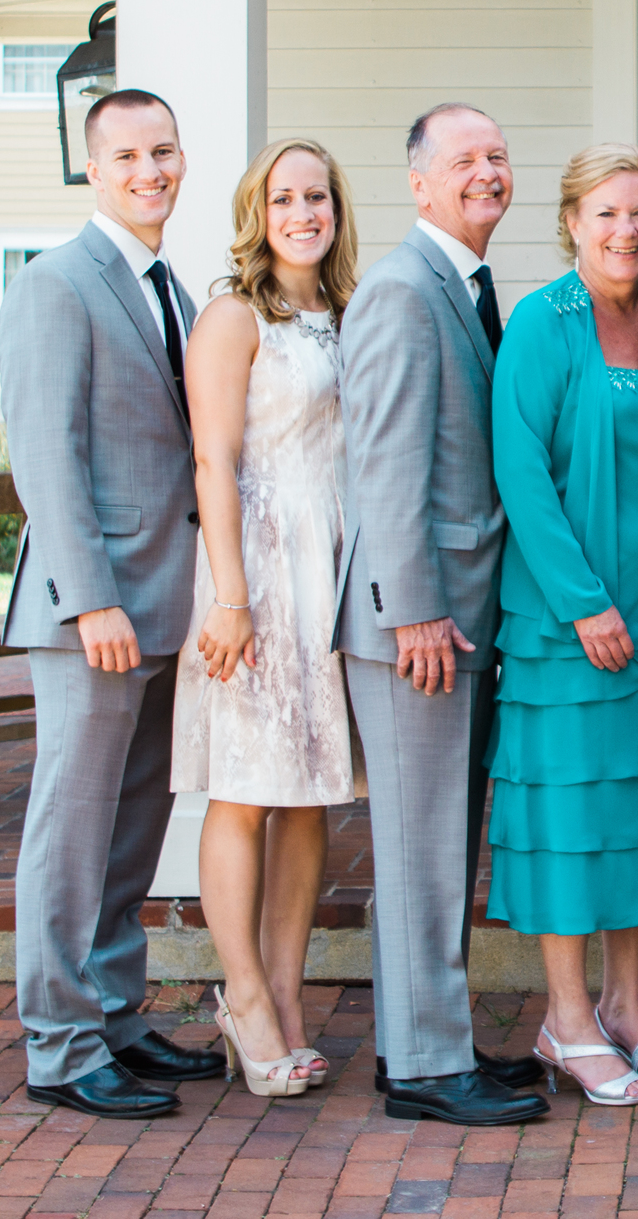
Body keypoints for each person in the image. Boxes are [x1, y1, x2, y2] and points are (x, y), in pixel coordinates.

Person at [1, 87, 226, 1119]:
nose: (151, 170)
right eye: (129, 154)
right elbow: (45, 455)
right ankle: (59, 1043)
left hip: (162, 605)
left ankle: (116, 1014)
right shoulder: (58, 282)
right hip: (94, 606)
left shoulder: (167, 284)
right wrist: (89, 598)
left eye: (165, 151)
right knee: (73, 825)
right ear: (92, 167)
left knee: (134, 824)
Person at [332, 103, 548, 1128]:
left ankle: (427, 1043)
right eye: (463, 159)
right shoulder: (398, 290)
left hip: (459, 619)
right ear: (417, 184)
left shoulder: (463, 284)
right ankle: (423, 1066)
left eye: (497, 157)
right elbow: (382, 465)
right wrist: (412, 609)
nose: (486, 172)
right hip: (417, 624)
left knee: (441, 841)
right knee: (420, 845)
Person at [488, 144, 638, 1108]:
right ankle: (565, 1022)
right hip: (567, 626)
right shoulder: (542, 323)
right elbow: (521, 476)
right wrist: (582, 603)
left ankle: (624, 1007)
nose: (626, 232)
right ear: (572, 220)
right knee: (569, 823)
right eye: (607, 214)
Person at [176, 138, 361, 1099]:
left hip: (332, 569)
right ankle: (241, 995)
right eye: (284, 198)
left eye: (317, 196)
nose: (303, 212)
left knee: (307, 796)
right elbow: (214, 462)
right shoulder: (231, 316)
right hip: (255, 572)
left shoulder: (346, 312)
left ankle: (287, 997)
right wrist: (232, 597)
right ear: (259, 212)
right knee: (244, 792)